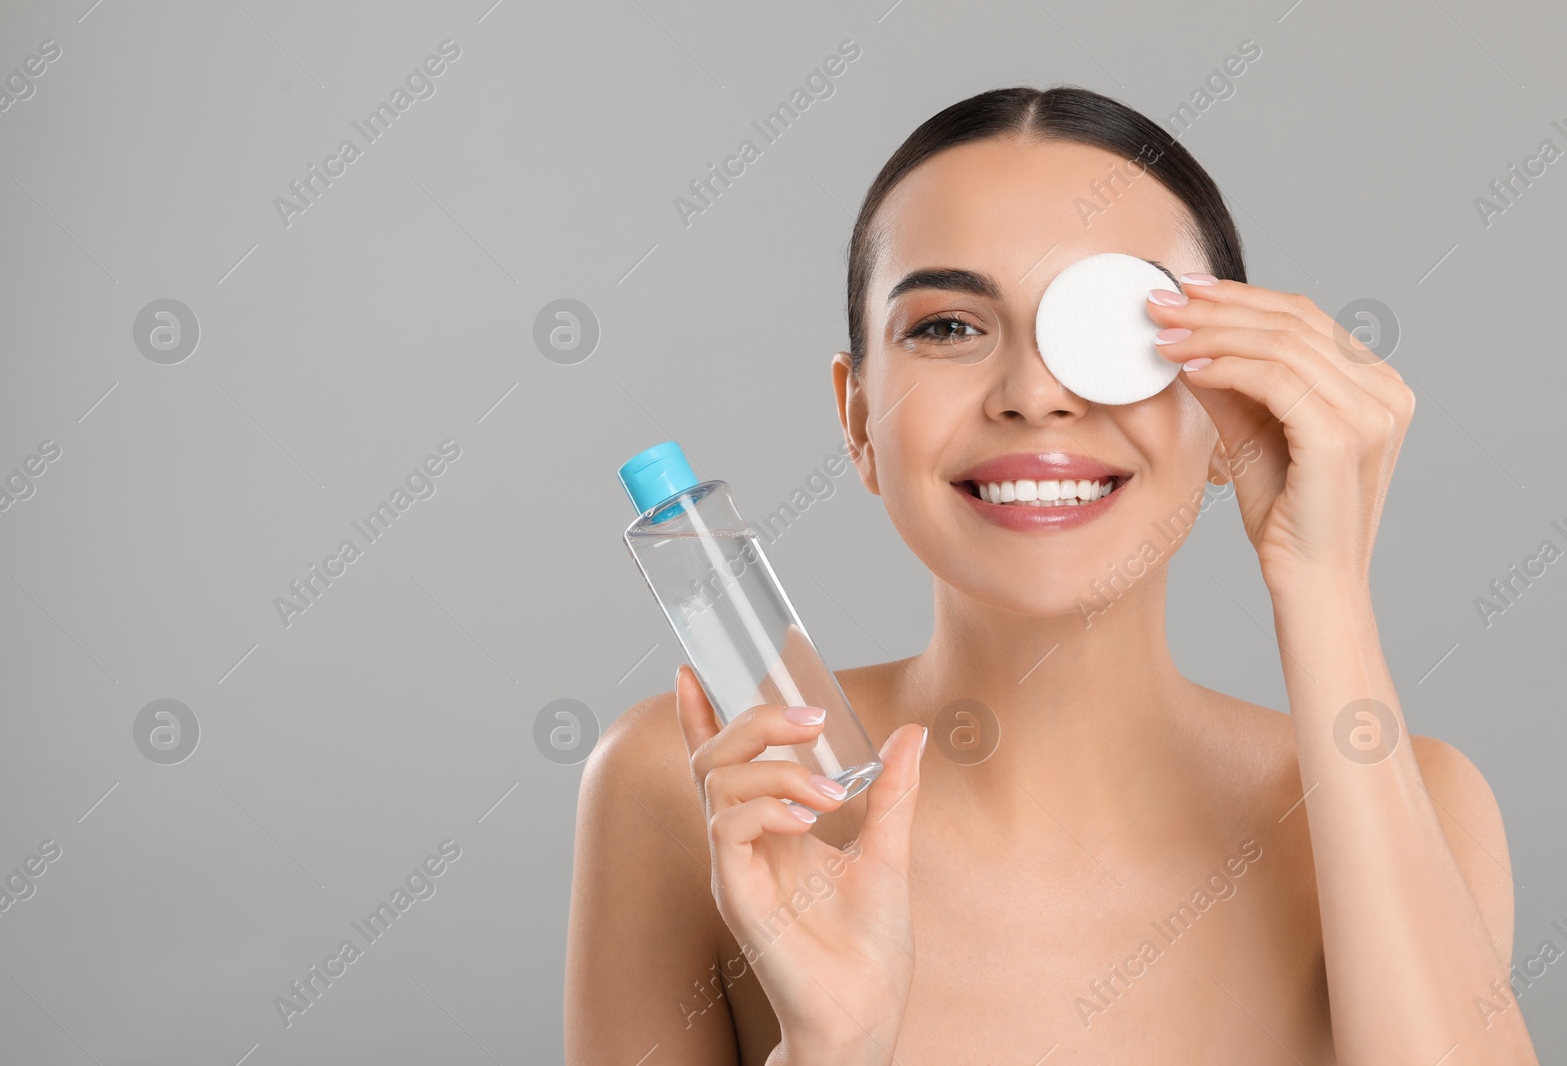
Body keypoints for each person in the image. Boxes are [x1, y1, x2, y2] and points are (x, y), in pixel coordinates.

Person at [565, 86, 1537, 1064]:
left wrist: (1324, 587)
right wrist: (835, 1046)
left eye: (1116, 329)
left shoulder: (1419, 802)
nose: (1034, 395)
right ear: (856, 418)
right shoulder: (700, 792)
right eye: (947, 327)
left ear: (1227, 405)